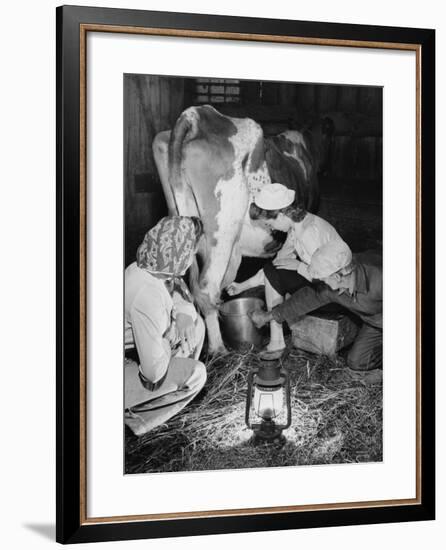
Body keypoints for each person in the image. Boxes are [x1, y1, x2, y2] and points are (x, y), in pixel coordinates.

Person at [226, 182, 350, 360]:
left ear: (282, 214)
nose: (271, 228)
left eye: (269, 223)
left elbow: (329, 279)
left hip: (336, 295)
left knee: (279, 272)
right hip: (321, 287)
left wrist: (299, 267)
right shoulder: (297, 228)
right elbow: (277, 265)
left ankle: (277, 341)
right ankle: (277, 340)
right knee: (274, 270)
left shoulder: (309, 233)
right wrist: (241, 286)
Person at [124, 216, 207, 436]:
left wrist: (184, 316)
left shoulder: (150, 265)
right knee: (197, 374)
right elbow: (153, 373)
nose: (192, 256)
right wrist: (168, 341)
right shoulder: (147, 296)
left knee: (196, 328)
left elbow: (176, 290)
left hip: (136, 351)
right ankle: (139, 420)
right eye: (190, 251)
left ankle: (154, 403)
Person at [250, 242, 383, 377]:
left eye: (324, 279)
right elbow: (305, 299)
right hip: (375, 323)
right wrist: (267, 317)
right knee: (357, 362)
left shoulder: (379, 279)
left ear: (336, 277)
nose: (323, 283)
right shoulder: (334, 286)